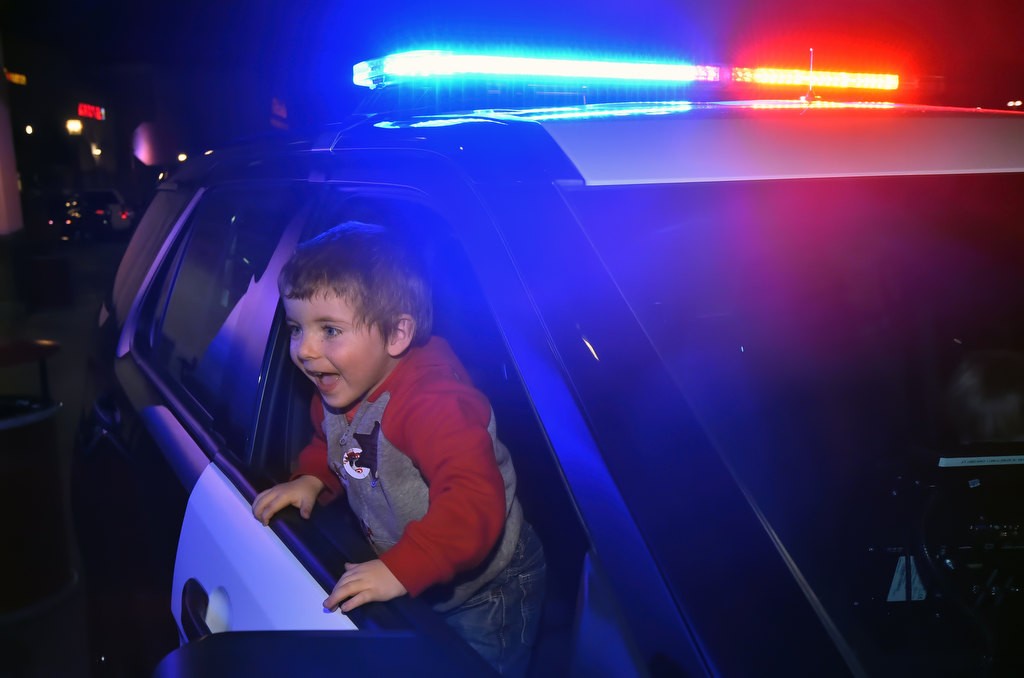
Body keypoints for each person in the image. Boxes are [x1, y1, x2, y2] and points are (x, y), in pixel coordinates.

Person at [252, 221, 545, 675]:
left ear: (396, 334)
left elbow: (474, 500)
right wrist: (314, 477)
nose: (304, 350)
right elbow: (336, 444)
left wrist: (400, 570)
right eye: (295, 327)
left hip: (489, 586)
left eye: (329, 330)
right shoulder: (339, 386)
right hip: (420, 566)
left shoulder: (433, 404)